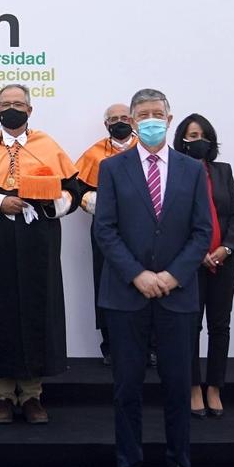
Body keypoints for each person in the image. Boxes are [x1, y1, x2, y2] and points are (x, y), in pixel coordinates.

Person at [94, 88, 210, 467]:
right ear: (131, 118)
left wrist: (173, 275)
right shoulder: (111, 168)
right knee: (127, 387)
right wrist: (138, 274)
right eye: (141, 114)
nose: (149, 120)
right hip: (126, 295)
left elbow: (202, 232)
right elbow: (104, 229)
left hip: (177, 296)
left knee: (178, 386)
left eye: (156, 113)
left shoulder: (193, 170)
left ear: (169, 116)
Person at [0, 84, 81, 425]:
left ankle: (31, 395)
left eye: (18, 104)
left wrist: (45, 203)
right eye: (5, 104)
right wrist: (0, 202)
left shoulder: (48, 145)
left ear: (30, 110)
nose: (11, 109)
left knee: (36, 310)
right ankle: (1, 394)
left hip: (37, 241)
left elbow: (73, 192)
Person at [174, 114, 234, 418]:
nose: (196, 140)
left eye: (202, 135)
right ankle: (192, 387)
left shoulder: (224, 171)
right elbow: (174, 219)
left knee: (220, 325)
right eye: (190, 135)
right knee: (190, 325)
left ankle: (214, 386)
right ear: (181, 141)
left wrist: (226, 248)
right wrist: (198, 251)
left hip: (225, 259)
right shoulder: (175, 173)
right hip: (190, 261)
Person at [75, 103, 139, 366]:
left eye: (125, 118)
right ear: (106, 125)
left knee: (146, 282)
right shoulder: (94, 154)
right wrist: (108, 203)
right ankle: (110, 346)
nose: (120, 122)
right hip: (106, 230)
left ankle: (150, 347)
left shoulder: (147, 149)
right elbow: (77, 192)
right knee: (105, 284)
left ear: (133, 121)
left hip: (144, 229)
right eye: (114, 119)